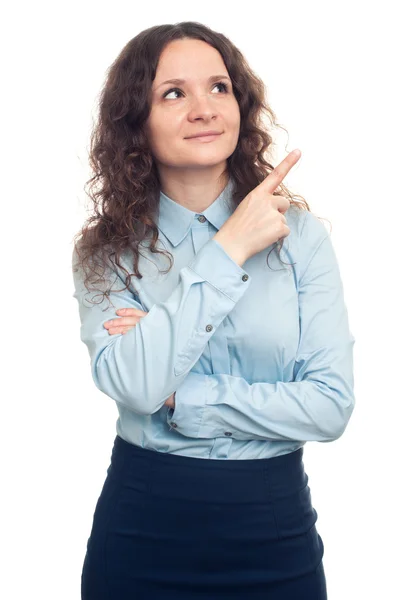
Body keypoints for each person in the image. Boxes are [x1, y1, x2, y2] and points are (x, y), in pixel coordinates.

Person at [72, 21, 355, 599]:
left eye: (219, 88)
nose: (203, 108)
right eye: (173, 93)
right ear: (136, 123)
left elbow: (330, 407)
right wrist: (229, 248)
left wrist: (182, 391)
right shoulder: (104, 252)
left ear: (240, 105)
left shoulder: (300, 238)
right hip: (143, 524)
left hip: (274, 527)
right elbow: (134, 386)